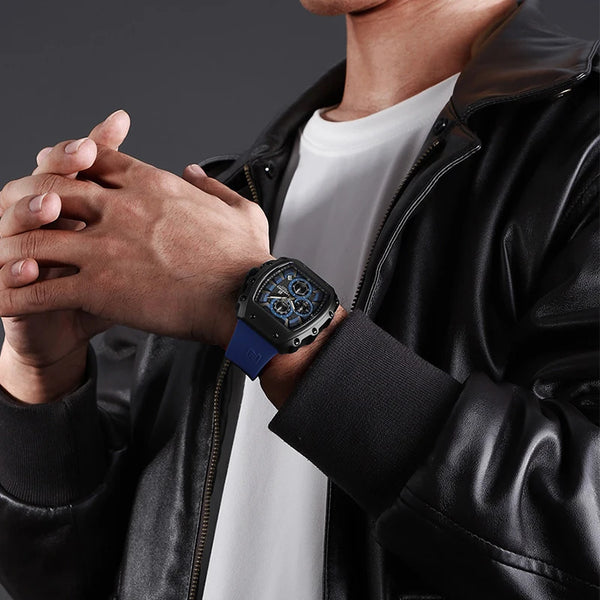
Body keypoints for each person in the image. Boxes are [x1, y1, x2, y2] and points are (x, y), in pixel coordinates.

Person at [0, 0, 597, 598]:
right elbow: (80, 577)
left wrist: (264, 302)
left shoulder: (582, 151)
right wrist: (43, 378)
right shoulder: (226, 198)